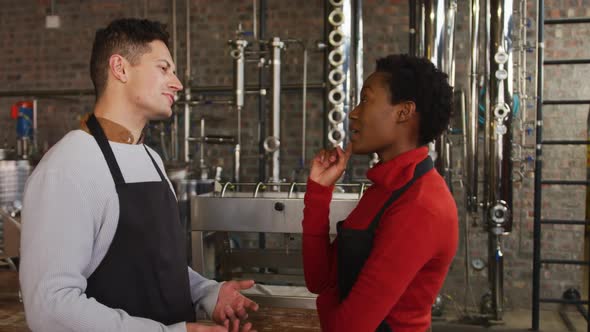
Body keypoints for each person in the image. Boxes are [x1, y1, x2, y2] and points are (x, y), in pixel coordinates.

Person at [20, 18, 258, 332]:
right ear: (120, 68)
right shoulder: (66, 169)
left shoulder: (150, 158)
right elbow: (50, 309)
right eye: (164, 68)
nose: (177, 83)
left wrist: (207, 293)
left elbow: (154, 265)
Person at [302, 54, 458, 332]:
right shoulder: (385, 189)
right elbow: (321, 281)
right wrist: (318, 193)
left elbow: (349, 327)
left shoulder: (421, 205)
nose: (354, 113)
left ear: (403, 112)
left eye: (366, 99)